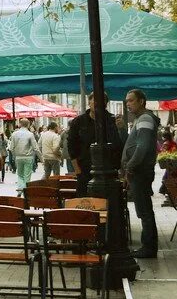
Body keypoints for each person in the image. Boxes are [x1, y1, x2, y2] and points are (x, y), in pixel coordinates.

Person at [122, 89, 160, 259]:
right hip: (139, 171)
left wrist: (129, 166)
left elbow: (142, 147)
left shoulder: (144, 118)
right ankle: (148, 246)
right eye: (127, 101)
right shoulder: (141, 119)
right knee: (144, 210)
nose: (128, 104)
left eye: (131, 100)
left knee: (144, 210)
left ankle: (148, 247)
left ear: (142, 101)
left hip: (140, 171)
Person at [66, 93, 119, 196]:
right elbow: (71, 146)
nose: (97, 104)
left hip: (107, 171)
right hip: (84, 169)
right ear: (89, 102)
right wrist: (77, 170)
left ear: (106, 104)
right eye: (94, 101)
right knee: (85, 202)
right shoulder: (78, 122)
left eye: (101, 101)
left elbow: (118, 145)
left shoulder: (112, 120)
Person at [9, 119, 41, 193]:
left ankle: (20, 190)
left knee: (20, 175)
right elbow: (35, 148)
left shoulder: (14, 134)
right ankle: (25, 192)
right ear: (28, 125)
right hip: (28, 157)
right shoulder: (30, 134)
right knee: (27, 176)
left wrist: (14, 156)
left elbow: (11, 148)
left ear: (20, 124)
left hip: (18, 157)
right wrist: (42, 159)